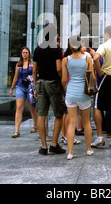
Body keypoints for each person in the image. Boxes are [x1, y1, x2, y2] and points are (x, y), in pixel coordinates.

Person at [33, 23, 67, 155]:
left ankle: (43, 146)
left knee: (42, 115)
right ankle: (54, 144)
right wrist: (63, 82)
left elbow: (35, 70)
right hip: (54, 84)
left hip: (41, 83)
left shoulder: (37, 49)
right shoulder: (56, 49)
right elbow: (59, 68)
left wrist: (36, 86)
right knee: (59, 114)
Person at [61, 36, 94, 160]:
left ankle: (70, 152)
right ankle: (89, 149)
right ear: (81, 45)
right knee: (86, 122)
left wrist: (65, 88)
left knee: (71, 123)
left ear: (70, 46)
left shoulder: (65, 60)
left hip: (71, 93)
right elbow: (92, 77)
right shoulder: (87, 58)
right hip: (84, 94)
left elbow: (64, 80)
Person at [9, 46, 37, 137]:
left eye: (26, 52)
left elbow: (37, 74)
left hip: (30, 87)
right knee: (19, 107)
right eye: (23, 52)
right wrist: (12, 88)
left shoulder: (33, 64)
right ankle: (16, 130)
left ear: (29, 54)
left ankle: (35, 125)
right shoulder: (18, 64)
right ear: (21, 54)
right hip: (20, 87)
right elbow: (16, 77)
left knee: (32, 107)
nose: (25, 54)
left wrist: (32, 79)